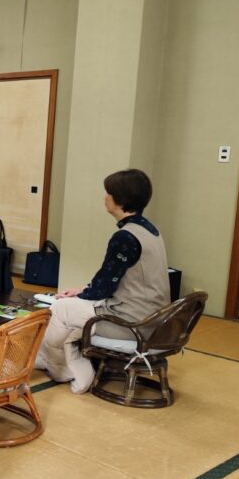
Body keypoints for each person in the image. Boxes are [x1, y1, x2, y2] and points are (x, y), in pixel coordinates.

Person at [36, 169, 170, 394]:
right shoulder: (150, 230)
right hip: (155, 317)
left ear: (121, 200)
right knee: (70, 311)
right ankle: (66, 365)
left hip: (131, 323)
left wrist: (81, 294)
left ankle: (61, 369)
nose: (105, 197)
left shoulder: (125, 237)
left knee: (59, 308)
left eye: (108, 193)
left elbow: (104, 288)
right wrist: (81, 291)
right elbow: (115, 280)